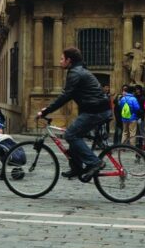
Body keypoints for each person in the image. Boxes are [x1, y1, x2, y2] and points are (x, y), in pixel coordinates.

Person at [37, 47, 111, 181]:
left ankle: (95, 162)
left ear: (68, 60)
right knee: (74, 134)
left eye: (61, 59)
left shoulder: (75, 73)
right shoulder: (77, 70)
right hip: (95, 109)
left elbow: (66, 96)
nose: (60, 62)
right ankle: (77, 167)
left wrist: (46, 111)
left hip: (95, 111)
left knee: (70, 134)